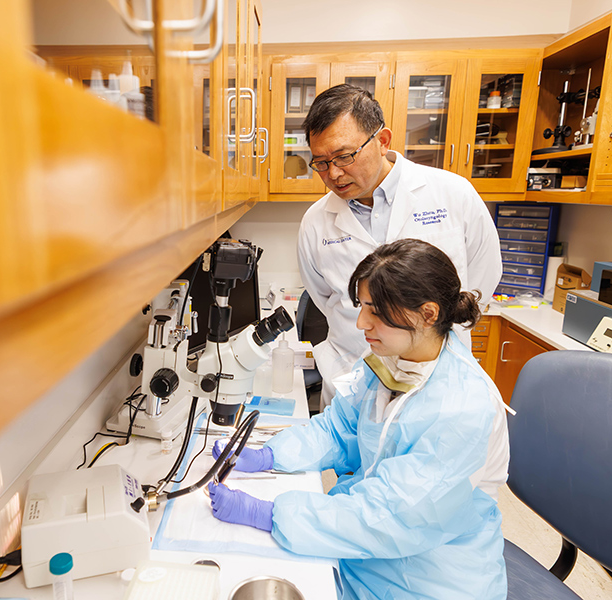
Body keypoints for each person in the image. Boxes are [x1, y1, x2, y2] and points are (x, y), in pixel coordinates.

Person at [207, 239, 509, 600]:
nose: (362, 322)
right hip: (361, 553)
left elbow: (391, 517)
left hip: (427, 579)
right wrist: (270, 454)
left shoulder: (461, 407)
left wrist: (271, 514)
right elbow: (342, 429)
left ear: (428, 314)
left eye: (376, 311)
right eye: (363, 306)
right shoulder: (396, 357)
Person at [296, 83, 502, 406]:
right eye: (320, 162)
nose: (333, 174)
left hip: (436, 384)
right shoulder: (315, 223)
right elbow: (325, 300)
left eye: (344, 156)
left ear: (382, 141)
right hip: (352, 384)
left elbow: (482, 279)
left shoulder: (453, 194)